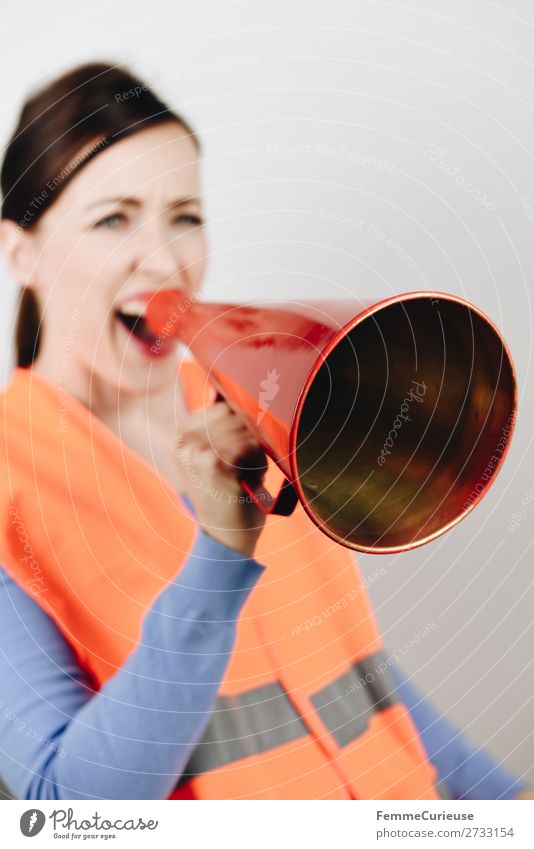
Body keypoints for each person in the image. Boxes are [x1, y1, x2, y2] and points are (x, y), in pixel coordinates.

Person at [0, 61, 529, 801]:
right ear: (22, 254)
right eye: (112, 218)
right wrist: (221, 552)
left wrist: (505, 805)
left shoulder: (263, 408)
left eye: (184, 214)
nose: (165, 260)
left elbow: (360, 676)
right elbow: (67, 801)